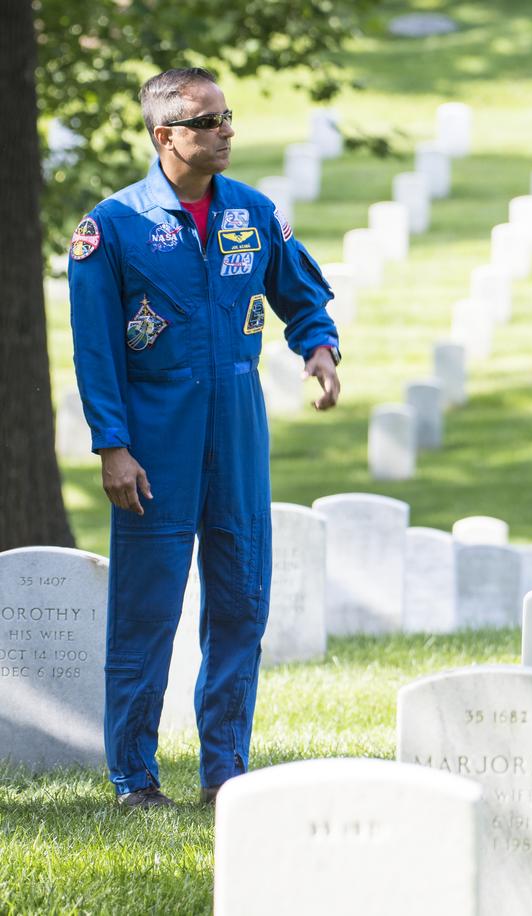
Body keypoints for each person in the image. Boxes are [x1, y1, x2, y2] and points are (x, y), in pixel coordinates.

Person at [68, 68, 342, 808]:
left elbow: (302, 293)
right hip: (154, 443)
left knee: (240, 604)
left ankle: (224, 770)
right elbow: (95, 350)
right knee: (146, 609)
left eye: (228, 116)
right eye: (208, 120)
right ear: (166, 135)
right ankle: (134, 777)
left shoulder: (252, 214)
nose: (226, 130)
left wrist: (318, 346)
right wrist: (112, 445)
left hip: (238, 436)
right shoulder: (112, 228)